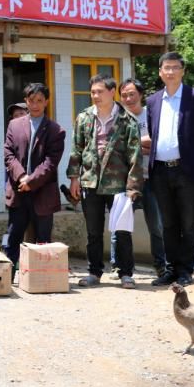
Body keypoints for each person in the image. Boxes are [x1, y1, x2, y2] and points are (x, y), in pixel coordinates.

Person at [148, 52, 194, 287]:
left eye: (175, 67)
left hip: (186, 170)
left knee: (188, 223)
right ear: (160, 72)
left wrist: (190, 151)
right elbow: (152, 131)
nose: (170, 72)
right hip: (160, 170)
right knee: (168, 223)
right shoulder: (153, 101)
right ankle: (170, 269)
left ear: (182, 71)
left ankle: (186, 270)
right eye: (166, 68)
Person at [67, 74, 142, 289]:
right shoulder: (84, 118)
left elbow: (135, 155)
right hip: (90, 182)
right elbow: (76, 150)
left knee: (122, 230)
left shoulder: (127, 120)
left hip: (118, 184)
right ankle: (94, 272)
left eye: (100, 91)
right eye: (92, 92)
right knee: (93, 231)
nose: (95, 95)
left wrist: (133, 187)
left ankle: (125, 273)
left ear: (111, 92)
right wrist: (74, 178)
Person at [3, 83, 66, 268]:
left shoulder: (56, 130)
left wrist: (32, 181)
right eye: (31, 100)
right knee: (13, 235)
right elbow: (8, 154)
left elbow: (51, 162)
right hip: (18, 190)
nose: (35, 104)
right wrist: (22, 176)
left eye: (39, 100)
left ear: (46, 101)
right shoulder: (14, 125)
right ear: (26, 101)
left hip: (43, 192)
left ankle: (42, 277)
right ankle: (9, 274)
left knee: (43, 239)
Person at [112, 78, 166, 278]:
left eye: (131, 94)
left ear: (141, 94)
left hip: (151, 179)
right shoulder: (117, 118)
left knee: (157, 226)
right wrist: (142, 146)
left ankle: (161, 266)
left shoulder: (151, 115)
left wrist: (132, 143)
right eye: (124, 95)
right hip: (125, 181)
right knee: (121, 225)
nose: (127, 98)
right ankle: (118, 265)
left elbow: (158, 141)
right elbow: (116, 146)